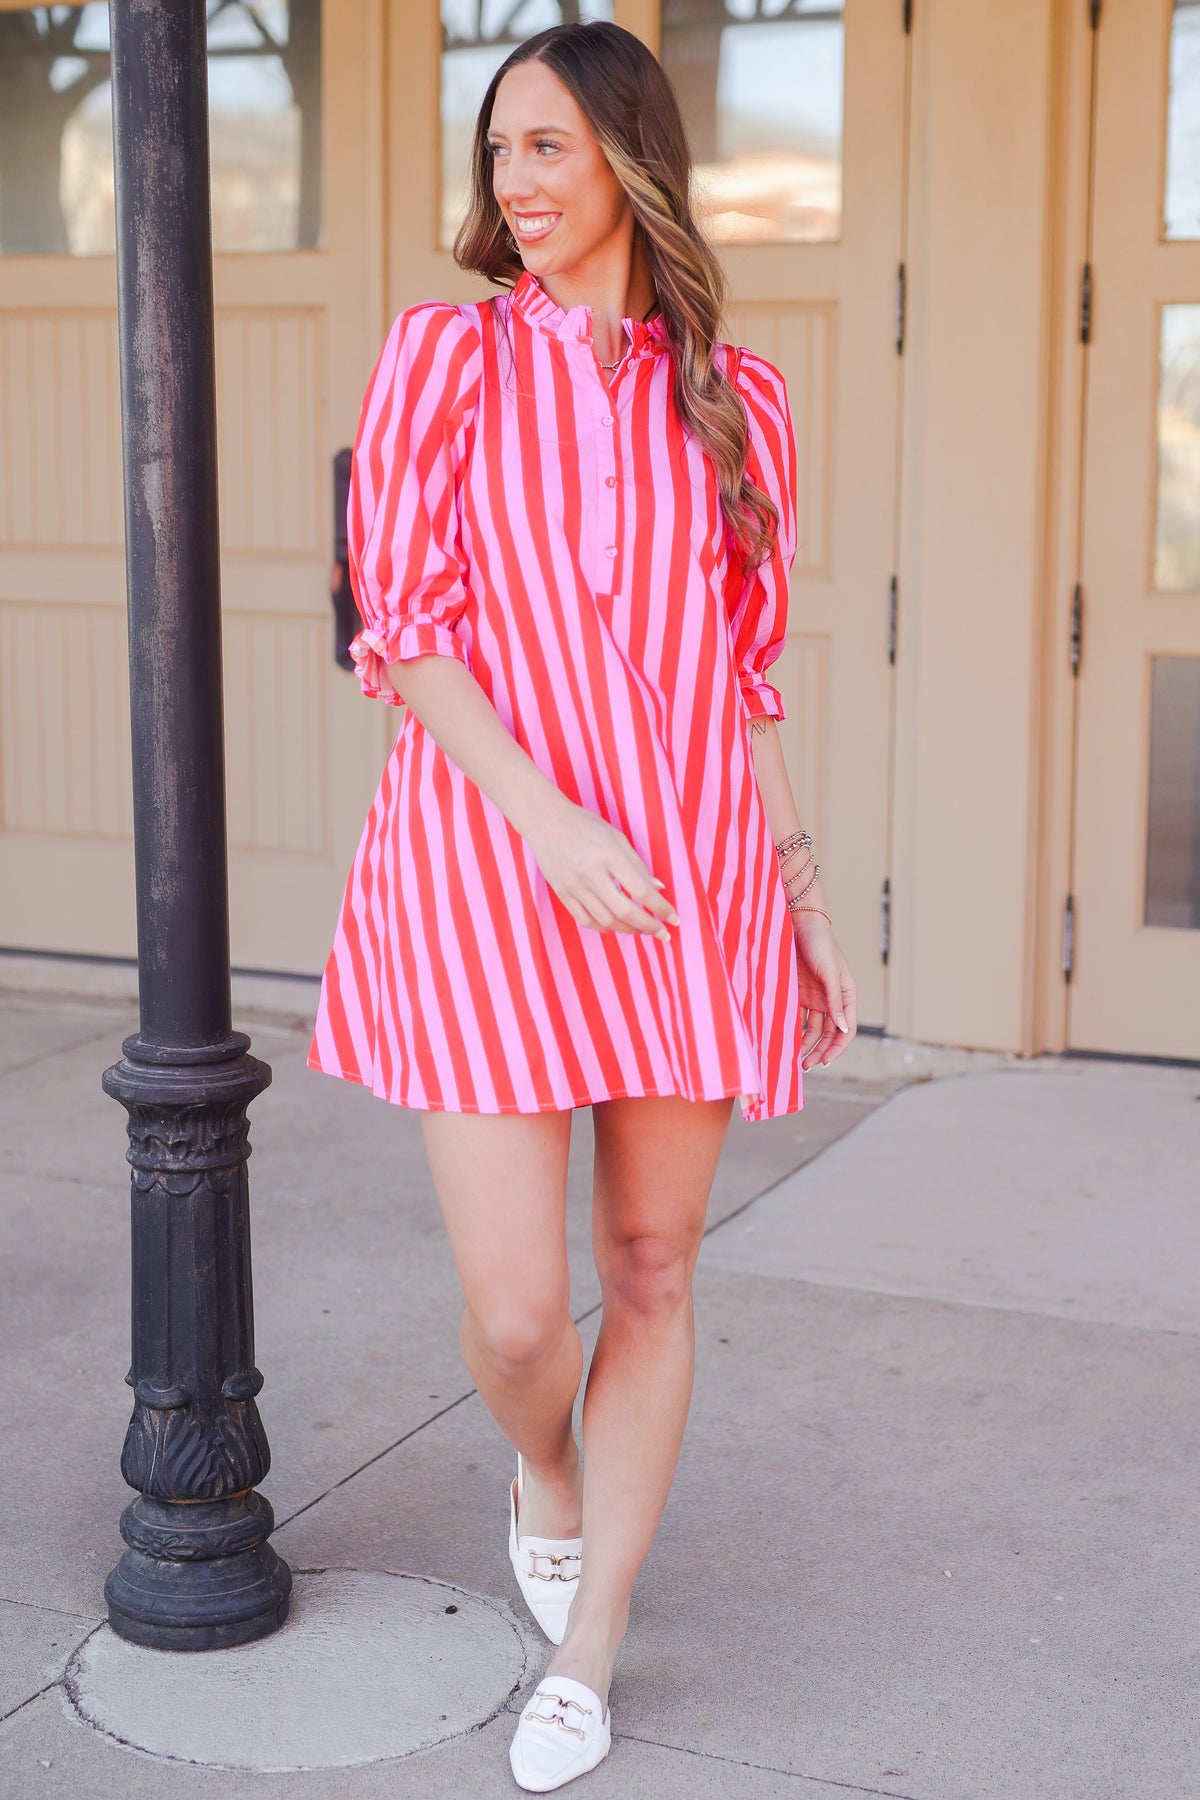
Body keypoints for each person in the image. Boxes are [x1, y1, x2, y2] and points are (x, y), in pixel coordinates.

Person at [308, 20, 857, 1792]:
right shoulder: (447, 358)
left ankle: (593, 1646)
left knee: (649, 1267)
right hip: (488, 864)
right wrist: (543, 816)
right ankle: (545, 1465)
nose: (516, 187)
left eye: (546, 149)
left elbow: (741, 681)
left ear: (631, 156)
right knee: (527, 1317)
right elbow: (405, 626)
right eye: (499, 155)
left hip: (689, 881)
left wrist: (797, 891)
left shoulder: (739, 398)